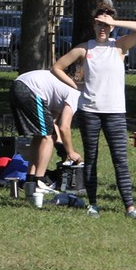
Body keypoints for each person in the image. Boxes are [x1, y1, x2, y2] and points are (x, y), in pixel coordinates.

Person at [52, 4, 136, 221]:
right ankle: (93, 204)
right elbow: (57, 67)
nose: (103, 28)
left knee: (120, 160)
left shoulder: (120, 46)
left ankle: (130, 207)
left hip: (115, 111)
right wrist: (75, 86)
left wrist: (113, 21)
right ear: (94, 25)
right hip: (90, 111)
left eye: (106, 24)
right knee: (92, 157)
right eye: (99, 23)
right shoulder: (85, 48)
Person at [8, 69, 82, 197]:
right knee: (46, 138)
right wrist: (70, 152)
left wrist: (60, 145)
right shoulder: (77, 94)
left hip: (18, 85)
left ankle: (30, 180)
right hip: (30, 88)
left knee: (40, 136)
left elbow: (52, 123)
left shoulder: (62, 91)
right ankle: (39, 182)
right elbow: (64, 126)